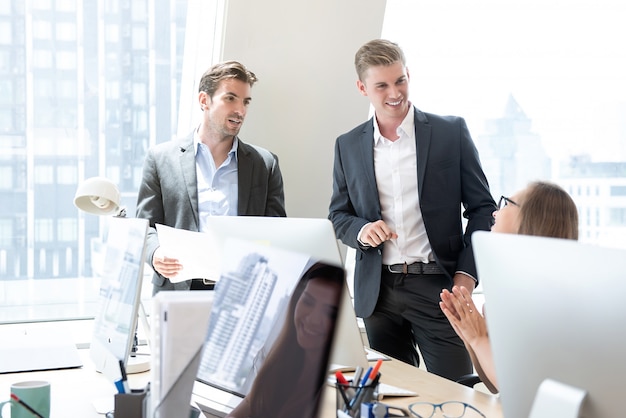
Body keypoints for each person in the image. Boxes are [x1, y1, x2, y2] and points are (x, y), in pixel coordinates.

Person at [328, 39, 496, 381]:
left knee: (455, 394)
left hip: (439, 287)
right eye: (382, 85)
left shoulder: (451, 132)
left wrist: (466, 277)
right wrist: (361, 231)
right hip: (378, 294)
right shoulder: (347, 145)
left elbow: (483, 210)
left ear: (409, 75)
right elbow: (338, 215)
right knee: (389, 398)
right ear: (362, 88)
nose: (395, 92)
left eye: (400, 80)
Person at [135, 60, 286, 294]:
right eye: (230, 98)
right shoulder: (160, 159)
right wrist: (156, 253)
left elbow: (276, 234)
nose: (241, 110)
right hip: (178, 292)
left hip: (240, 295)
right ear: (204, 100)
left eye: (245, 102)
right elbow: (145, 228)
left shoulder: (265, 164)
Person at [440, 180, 579, 393]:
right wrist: (470, 335)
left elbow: (522, 391)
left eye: (507, 204)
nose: (495, 213)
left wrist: (479, 339)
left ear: (532, 218)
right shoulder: (509, 292)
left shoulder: (549, 300)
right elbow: (494, 386)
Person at [226, 262, 344, 418]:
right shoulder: (281, 366)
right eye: (308, 302)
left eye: (330, 313)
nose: (314, 319)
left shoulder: (334, 392)